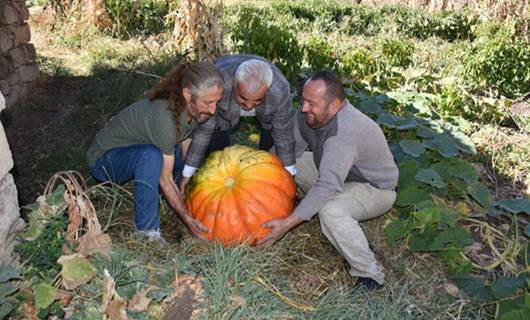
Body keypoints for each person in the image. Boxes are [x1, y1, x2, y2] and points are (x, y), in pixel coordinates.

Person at [257, 70, 399, 290]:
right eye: (303, 100)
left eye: (311, 103)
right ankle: (307, 204)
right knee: (292, 163)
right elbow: (288, 150)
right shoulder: (308, 115)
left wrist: (288, 223)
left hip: (375, 188)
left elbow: (328, 184)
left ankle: (370, 274)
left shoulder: (344, 133)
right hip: (341, 171)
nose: (304, 108)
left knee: (331, 211)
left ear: (334, 106)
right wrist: (256, 172)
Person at [86, 62, 223, 241]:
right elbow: (164, 179)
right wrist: (189, 220)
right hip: (104, 161)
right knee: (151, 156)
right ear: (188, 94)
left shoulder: (194, 111)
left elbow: (185, 147)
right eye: (208, 102)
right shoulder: (165, 119)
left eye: (217, 102)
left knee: (176, 157)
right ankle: (146, 232)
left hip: (135, 151)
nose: (213, 110)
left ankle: (166, 202)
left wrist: (188, 188)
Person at [178, 54, 296, 192]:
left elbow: (284, 135)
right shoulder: (220, 85)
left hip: (267, 113)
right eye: (243, 98)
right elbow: (205, 131)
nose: (249, 105)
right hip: (224, 103)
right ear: (235, 84)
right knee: (216, 148)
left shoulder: (279, 90)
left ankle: (261, 182)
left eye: (257, 100)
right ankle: (219, 182)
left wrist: (290, 175)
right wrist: (188, 174)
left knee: (270, 149)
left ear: (267, 90)